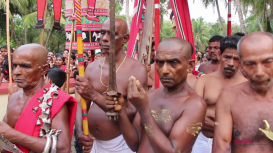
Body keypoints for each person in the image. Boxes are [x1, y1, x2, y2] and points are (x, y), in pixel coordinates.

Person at [106, 37, 206, 153]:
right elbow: (136, 144)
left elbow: (173, 151)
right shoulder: (150, 96)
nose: (164, 70)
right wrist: (121, 111)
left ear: (190, 65)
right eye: (160, 63)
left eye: (173, 63)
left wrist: (144, 110)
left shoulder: (195, 105)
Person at [75, 18, 147, 153]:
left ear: (125, 39)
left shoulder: (137, 70)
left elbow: (132, 112)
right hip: (92, 144)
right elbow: (82, 105)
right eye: (102, 33)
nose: (104, 39)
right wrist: (80, 132)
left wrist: (95, 96)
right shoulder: (91, 68)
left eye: (112, 34)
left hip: (122, 143)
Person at [0, 44, 77, 153]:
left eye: (25, 66)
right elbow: (4, 138)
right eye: (15, 65)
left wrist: (13, 135)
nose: (16, 72)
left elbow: (62, 148)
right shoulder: (13, 97)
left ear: (44, 69)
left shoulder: (55, 99)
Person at [212, 32, 273, 153]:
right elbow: (221, 145)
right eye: (250, 64)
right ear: (241, 65)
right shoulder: (229, 98)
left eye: (267, 62)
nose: (259, 72)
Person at [192, 35, 247, 153]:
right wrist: (225, 127)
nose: (231, 63)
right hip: (203, 140)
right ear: (220, 55)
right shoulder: (204, 80)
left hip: (233, 143)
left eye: (236, 58)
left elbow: (246, 122)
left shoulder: (247, 86)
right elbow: (194, 115)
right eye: (227, 57)